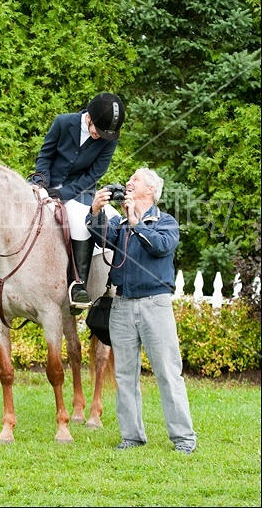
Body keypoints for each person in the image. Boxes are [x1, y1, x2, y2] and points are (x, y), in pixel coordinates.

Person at [0, 92, 125, 315]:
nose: (98, 136)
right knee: (2, 210)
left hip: (79, 192)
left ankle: (77, 284)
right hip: (45, 182)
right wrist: (42, 183)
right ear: (89, 116)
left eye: (103, 134)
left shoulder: (109, 139)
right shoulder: (63, 122)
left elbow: (93, 174)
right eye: (96, 130)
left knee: (79, 223)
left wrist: (62, 194)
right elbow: (45, 155)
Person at [85, 168, 197, 454]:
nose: (128, 183)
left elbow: (160, 247)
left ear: (150, 190)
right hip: (121, 305)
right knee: (124, 375)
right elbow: (100, 237)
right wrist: (96, 212)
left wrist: (136, 221)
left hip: (155, 304)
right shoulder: (120, 224)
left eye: (135, 180)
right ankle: (131, 436)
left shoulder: (165, 222)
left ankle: (183, 438)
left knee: (168, 373)